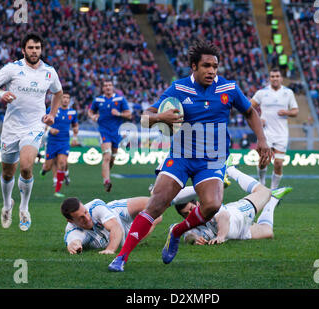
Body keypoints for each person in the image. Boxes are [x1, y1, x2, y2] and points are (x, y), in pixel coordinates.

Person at [108, 40, 272, 272]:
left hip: (213, 159)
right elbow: (145, 118)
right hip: (182, 156)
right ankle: (121, 257)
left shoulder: (229, 88)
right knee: (156, 204)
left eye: (215, 66)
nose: (212, 71)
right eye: (206, 66)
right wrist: (160, 117)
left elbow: (250, 112)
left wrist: (262, 141)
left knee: (213, 205)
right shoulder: (178, 88)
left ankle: (177, 231)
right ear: (193, 66)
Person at [0, 33, 63, 231]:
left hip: (34, 126)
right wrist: (1, 93)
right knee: (8, 172)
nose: (34, 51)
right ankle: (6, 204)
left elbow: (58, 92)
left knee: (26, 167)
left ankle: (24, 208)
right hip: (11, 128)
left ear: (41, 50)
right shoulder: (13, 68)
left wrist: (52, 114)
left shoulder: (49, 72)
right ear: (23, 50)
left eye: (37, 48)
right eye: (30, 48)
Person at [173, 164, 292, 245]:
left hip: (239, 214)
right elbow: (187, 236)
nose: (189, 213)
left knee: (265, 192)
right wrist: (195, 239)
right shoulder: (189, 225)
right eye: (185, 213)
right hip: (239, 233)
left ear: (198, 203)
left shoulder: (210, 207)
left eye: (191, 209)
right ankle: (273, 200)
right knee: (268, 232)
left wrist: (220, 236)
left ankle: (230, 169)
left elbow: (224, 216)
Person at [61, 196, 162, 255]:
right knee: (152, 220)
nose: (87, 218)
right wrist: (74, 245)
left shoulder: (95, 206)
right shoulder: (72, 231)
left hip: (117, 215)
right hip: (126, 236)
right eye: (81, 218)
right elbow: (74, 240)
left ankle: (156, 192)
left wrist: (110, 249)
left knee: (153, 207)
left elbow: (116, 227)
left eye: (86, 212)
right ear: (70, 221)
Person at [251, 68, 299, 190]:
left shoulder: (288, 93)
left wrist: (287, 112)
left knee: (278, 163)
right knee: (263, 161)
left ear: (281, 78)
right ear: (269, 78)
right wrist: (258, 118)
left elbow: (295, 111)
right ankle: (262, 183)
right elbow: (248, 107)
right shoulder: (262, 93)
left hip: (281, 134)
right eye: (272, 76)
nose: (275, 78)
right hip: (265, 133)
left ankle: (273, 191)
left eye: (277, 76)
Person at [88, 78, 132, 192]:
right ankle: (106, 181)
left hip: (116, 132)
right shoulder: (98, 100)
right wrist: (92, 116)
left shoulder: (120, 99)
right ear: (103, 88)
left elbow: (129, 115)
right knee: (107, 156)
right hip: (104, 131)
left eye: (110, 85)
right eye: (106, 85)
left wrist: (119, 113)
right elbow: (90, 111)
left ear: (113, 87)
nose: (108, 87)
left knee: (112, 158)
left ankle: (107, 171)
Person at [40, 91, 78, 197]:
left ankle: (57, 190)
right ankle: (44, 170)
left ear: (69, 100)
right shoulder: (52, 110)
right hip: (52, 142)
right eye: (64, 97)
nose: (66, 99)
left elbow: (75, 126)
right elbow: (42, 123)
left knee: (62, 164)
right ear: (60, 99)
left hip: (64, 142)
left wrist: (75, 138)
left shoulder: (73, 113)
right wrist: (50, 129)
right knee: (48, 166)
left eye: (68, 97)